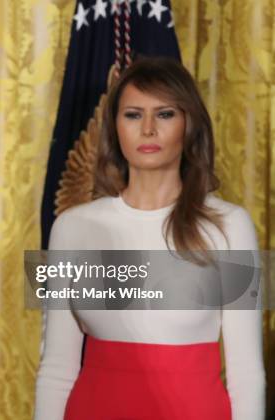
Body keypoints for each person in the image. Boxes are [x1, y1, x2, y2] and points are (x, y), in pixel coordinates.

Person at [34, 57, 265, 419]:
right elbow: (56, 367)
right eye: (132, 114)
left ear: (189, 124)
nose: (147, 128)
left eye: (165, 114)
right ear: (115, 127)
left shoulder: (232, 225)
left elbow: (247, 372)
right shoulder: (70, 226)